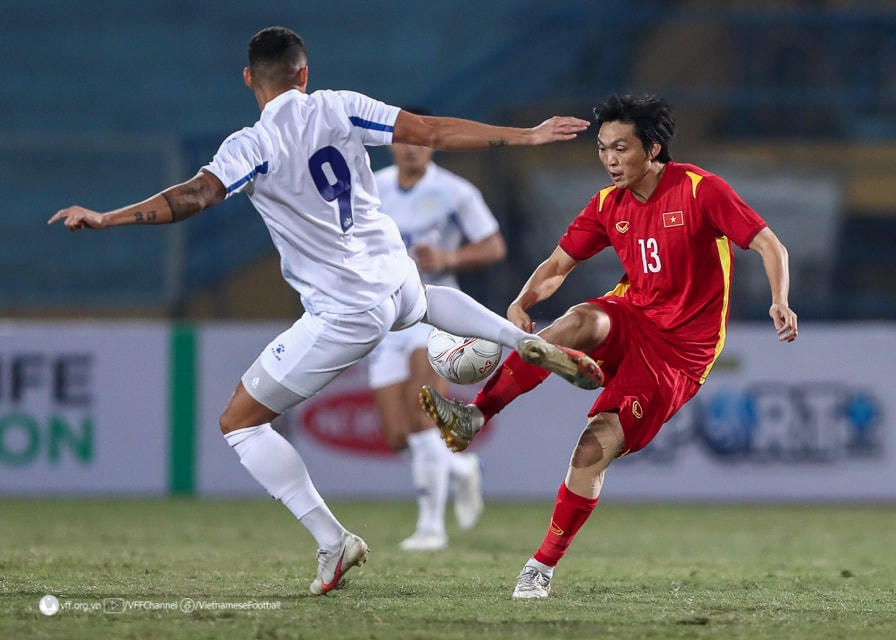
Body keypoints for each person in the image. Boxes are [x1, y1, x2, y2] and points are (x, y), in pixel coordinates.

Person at [48, 26, 599, 595]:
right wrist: (528, 135)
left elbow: (195, 196)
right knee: (427, 303)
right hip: (397, 277)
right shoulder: (342, 107)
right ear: (304, 75)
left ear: (248, 80)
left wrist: (110, 217)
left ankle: (333, 542)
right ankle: (516, 339)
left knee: (239, 422)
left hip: (345, 309)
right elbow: (432, 130)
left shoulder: (250, 144)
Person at [419, 93, 798, 599]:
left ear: (653, 148)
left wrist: (780, 300)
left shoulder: (700, 191)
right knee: (580, 319)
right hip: (630, 315)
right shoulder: (606, 205)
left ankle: (541, 566)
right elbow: (556, 267)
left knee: (593, 448)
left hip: (679, 355)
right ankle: (477, 414)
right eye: (602, 149)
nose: (610, 160)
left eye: (621, 149)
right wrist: (521, 302)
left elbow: (771, 244)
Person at [369, 112, 506, 550]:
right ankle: (463, 470)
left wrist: (448, 260)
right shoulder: (372, 186)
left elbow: (493, 245)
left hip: (434, 312)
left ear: (432, 144)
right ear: (391, 144)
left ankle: (431, 528)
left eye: (419, 140)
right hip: (385, 316)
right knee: (396, 435)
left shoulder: (455, 192)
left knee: (421, 410)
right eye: (402, 139)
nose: (410, 147)